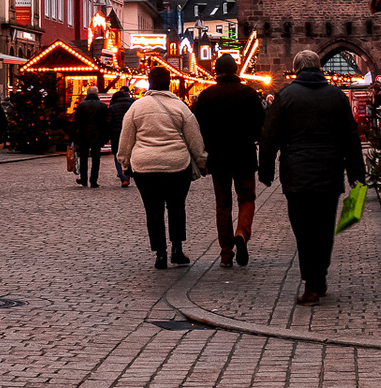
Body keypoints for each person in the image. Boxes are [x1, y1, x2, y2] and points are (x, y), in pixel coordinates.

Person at [259, 49, 366, 305]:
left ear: (296, 69)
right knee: (324, 228)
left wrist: (266, 171)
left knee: (304, 230)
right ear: (319, 67)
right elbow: (351, 138)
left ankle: (312, 283)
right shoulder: (337, 96)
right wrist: (357, 175)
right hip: (329, 172)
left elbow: (268, 136)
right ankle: (319, 276)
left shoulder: (285, 97)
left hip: (296, 175)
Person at [118, 66, 208, 269]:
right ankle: (177, 249)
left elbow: (126, 139)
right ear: (169, 83)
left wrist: (124, 162)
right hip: (177, 165)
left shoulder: (137, 107)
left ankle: (160, 254)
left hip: (145, 167)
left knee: (153, 209)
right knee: (176, 207)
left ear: (149, 83)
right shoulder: (180, 107)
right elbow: (195, 138)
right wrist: (201, 162)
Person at [191, 53, 265, 267]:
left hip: (218, 156)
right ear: (235, 70)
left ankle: (226, 252)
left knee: (222, 205)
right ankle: (242, 232)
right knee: (247, 198)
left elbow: (199, 129)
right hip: (243, 154)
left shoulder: (206, 96)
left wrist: (203, 156)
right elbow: (260, 125)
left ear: (215, 72)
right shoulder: (249, 94)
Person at [73, 85, 110, 188]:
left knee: (83, 158)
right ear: (97, 93)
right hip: (97, 135)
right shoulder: (102, 106)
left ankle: (83, 179)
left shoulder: (81, 106)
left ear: (87, 94)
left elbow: (76, 121)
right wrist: (106, 136)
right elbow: (106, 123)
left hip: (83, 135)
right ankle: (93, 180)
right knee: (96, 159)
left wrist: (72, 136)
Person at [107, 85, 136, 187]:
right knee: (131, 153)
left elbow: (109, 123)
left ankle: (122, 176)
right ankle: (128, 173)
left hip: (116, 134)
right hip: (131, 133)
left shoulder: (112, 107)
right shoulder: (133, 104)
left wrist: (108, 135)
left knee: (117, 155)